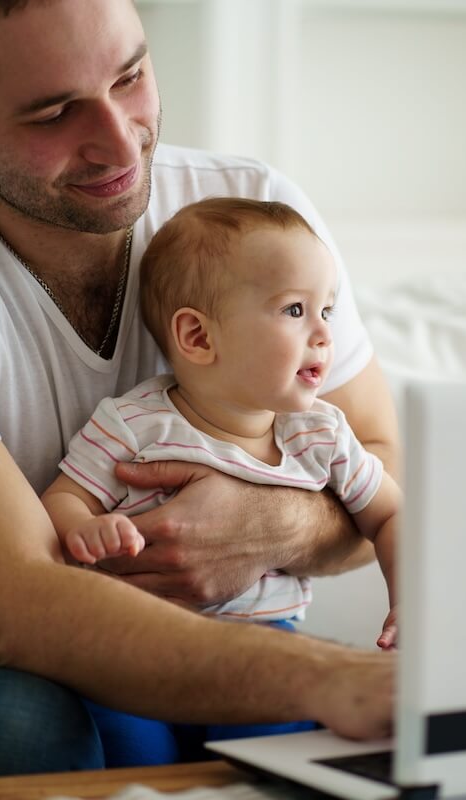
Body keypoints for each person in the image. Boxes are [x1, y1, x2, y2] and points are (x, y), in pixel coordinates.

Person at [0, 0, 398, 786]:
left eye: (130, 77)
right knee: (19, 721)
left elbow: (381, 461)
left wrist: (271, 525)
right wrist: (326, 677)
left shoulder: (252, 216)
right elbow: (16, 609)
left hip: (232, 667)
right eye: (55, 113)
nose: (120, 141)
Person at [44, 197, 401, 766]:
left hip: (264, 651)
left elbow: (389, 513)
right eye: (293, 311)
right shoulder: (134, 425)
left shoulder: (321, 436)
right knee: (126, 747)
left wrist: (408, 592)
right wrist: (86, 530)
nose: (323, 335)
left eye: (327, 311)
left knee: (278, 751)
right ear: (198, 337)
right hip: (139, 652)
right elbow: (63, 499)